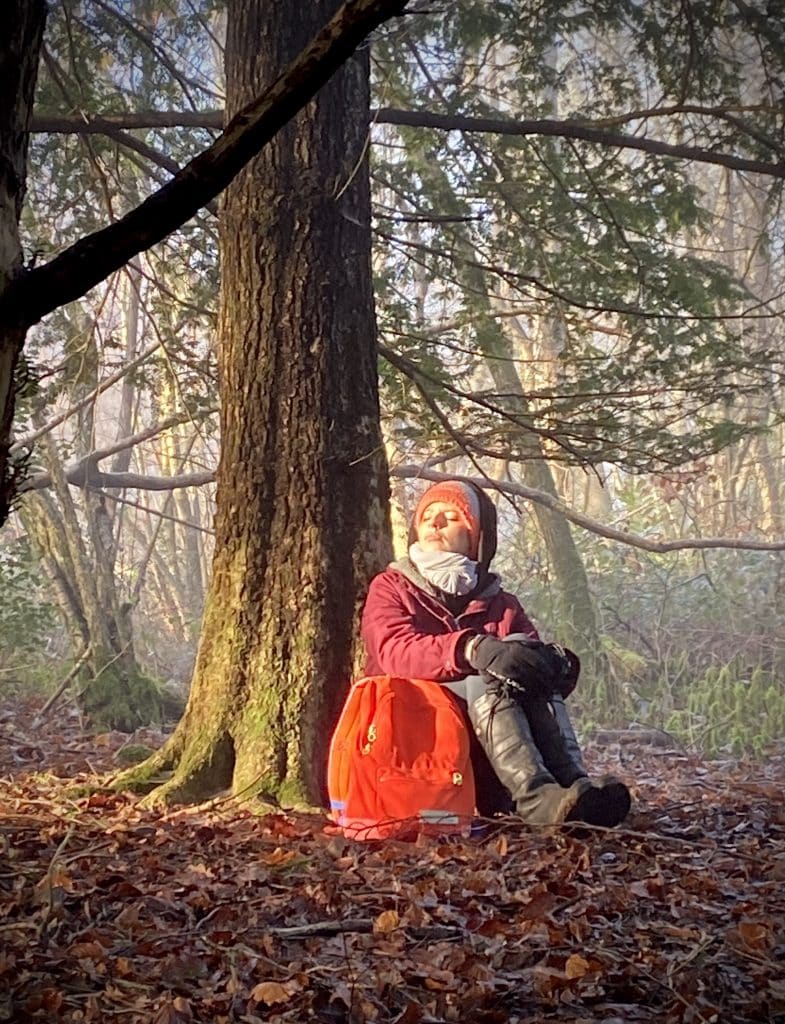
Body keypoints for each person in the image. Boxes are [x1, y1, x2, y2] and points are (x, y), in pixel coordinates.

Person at [361, 479, 631, 827]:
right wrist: (471, 648)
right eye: (427, 516)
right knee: (485, 679)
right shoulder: (392, 587)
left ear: (477, 538)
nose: (435, 523)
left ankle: (574, 786)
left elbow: (530, 667)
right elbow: (393, 651)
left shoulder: (501, 602)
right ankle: (536, 802)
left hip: (485, 738)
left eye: (451, 516)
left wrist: (554, 663)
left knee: (518, 660)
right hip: (413, 728)